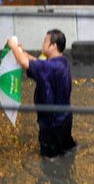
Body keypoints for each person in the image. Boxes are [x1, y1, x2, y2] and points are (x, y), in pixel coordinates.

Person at [6, 30, 76, 158]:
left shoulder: (50, 67)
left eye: (45, 41)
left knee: (50, 158)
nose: (42, 44)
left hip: (51, 124)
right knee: (68, 149)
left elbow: (24, 63)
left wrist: (13, 46)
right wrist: (22, 52)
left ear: (53, 45)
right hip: (65, 118)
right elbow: (38, 63)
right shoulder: (63, 62)